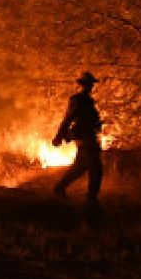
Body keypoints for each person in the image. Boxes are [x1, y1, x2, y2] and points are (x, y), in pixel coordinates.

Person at [52, 72, 103, 202]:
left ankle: (59, 188)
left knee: (80, 167)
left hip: (88, 136)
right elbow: (68, 118)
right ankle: (91, 199)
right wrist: (59, 136)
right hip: (85, 138)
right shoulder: (78, 100)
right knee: (96, 169)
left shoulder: (88, 100)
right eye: (88, 84)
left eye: (91, 84)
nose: (90, 86)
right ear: (82, 85)